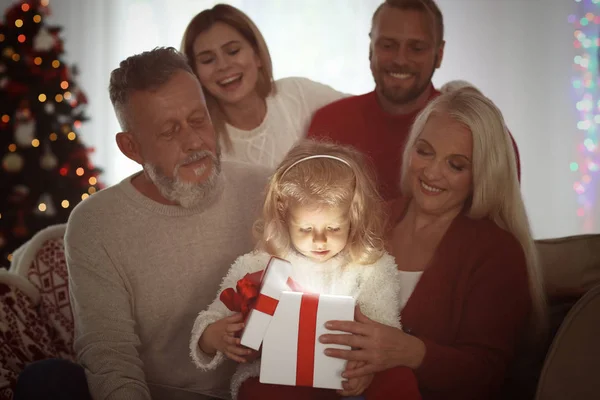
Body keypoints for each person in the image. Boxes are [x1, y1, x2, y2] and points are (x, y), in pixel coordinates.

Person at [15, 47, 270, 400]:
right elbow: (110, 356)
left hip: (257, 390)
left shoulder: (266, 189)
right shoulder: (95, 223)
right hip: (155, 395)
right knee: (46, 381)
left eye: (198, 120)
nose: (194, 142)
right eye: (169, 132)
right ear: (131, 147)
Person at [318, 86, 546, 400]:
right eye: (425, 151)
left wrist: (411, 352)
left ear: (482, 174)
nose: (432, 172)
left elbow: (488, 377)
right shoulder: (370, 218)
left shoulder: (499, 253)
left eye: (456, 165)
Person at [189, 140, 422, 400]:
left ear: (353, 217)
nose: (320, 240)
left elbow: (384, 330)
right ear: (284, 216)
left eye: (333, 228)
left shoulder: (369, 267)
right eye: (306, 229)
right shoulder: (259, 263)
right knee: (260, 392)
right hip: (275, 376)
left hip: (345, 372)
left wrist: (365, 369)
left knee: (398, 379)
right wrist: (212, 336)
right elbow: (212, 317)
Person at [307, 0, 520, 201]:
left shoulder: (481, 134)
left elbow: (497, 233)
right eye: (388, 45)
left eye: (416, 48)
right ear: (371, 48)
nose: (400, 59)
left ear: (439, 54)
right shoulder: (329, 125)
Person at [181, 4, 346, 169]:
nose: (223, 65)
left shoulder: (298, 92)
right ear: (195, 74)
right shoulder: (200, 141)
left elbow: (364, 112)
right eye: (208, 60)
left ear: (257, 55)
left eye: (233, 51)